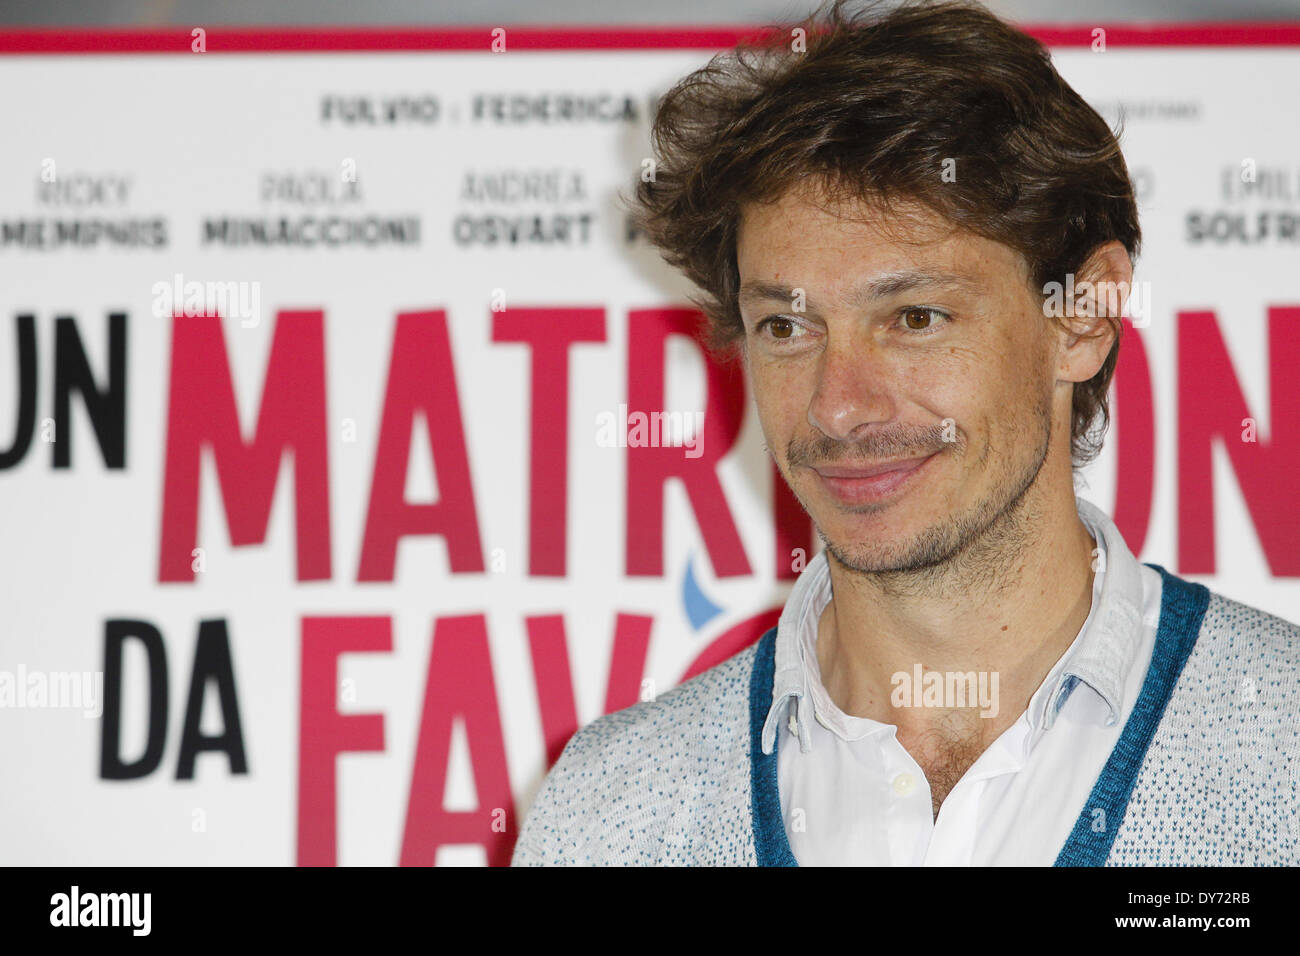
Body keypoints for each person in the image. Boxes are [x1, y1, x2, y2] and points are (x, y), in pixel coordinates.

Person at [512, 0, 1300, 865]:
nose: (838, 407)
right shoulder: (607, 812)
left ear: (1082, 316)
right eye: (786, 326)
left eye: (914, 317)